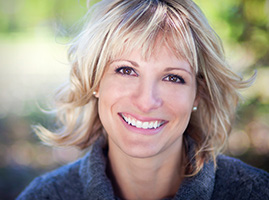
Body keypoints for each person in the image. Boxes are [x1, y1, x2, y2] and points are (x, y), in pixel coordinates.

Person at [17, 0, 269, 199]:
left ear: (198, 94)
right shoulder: (47, 195)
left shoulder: (255, 192)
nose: (146, 101)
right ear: (94, 81)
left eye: (172, 77)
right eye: (126, 70)